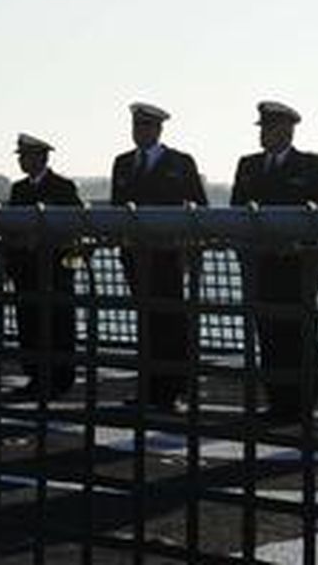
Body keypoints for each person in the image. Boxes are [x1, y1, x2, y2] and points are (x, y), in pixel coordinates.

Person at [230, 100, 318, 420]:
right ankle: (277, 398)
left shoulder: (311, 165)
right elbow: (238, 212)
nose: (263, 134)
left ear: (287, 130)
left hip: (299, 266)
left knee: (299, 331)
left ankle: (302, 399)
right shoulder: (248, 166)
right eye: (262, 127)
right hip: (260, 264)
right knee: (268, 330)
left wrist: (311, 251)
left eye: (269, 128)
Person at [109, 101, 207, 412]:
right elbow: (117, 208)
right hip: (135, 254)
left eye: (146, 126)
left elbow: (199, 208)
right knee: (147, 321)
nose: (140, 132)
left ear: (158, 129)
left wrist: (189, 249)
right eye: (137, 126)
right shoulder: (123, 163)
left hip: (170, 255)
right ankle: (149, 388)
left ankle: (174, 390)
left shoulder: (180, 162)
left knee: (172, 322)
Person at [3, 133, 82, 400]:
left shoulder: (63, 187)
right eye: (21, 156)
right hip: (26, 270)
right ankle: (36, 375)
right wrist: (10, 265)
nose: (22, 161)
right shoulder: (19, 189)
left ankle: (60, 378)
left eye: (26, 156)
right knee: (29, 324)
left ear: (41, 158)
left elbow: (77, 228)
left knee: (59, 325)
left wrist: (69, 265)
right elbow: (10, 229)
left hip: (56, 270)